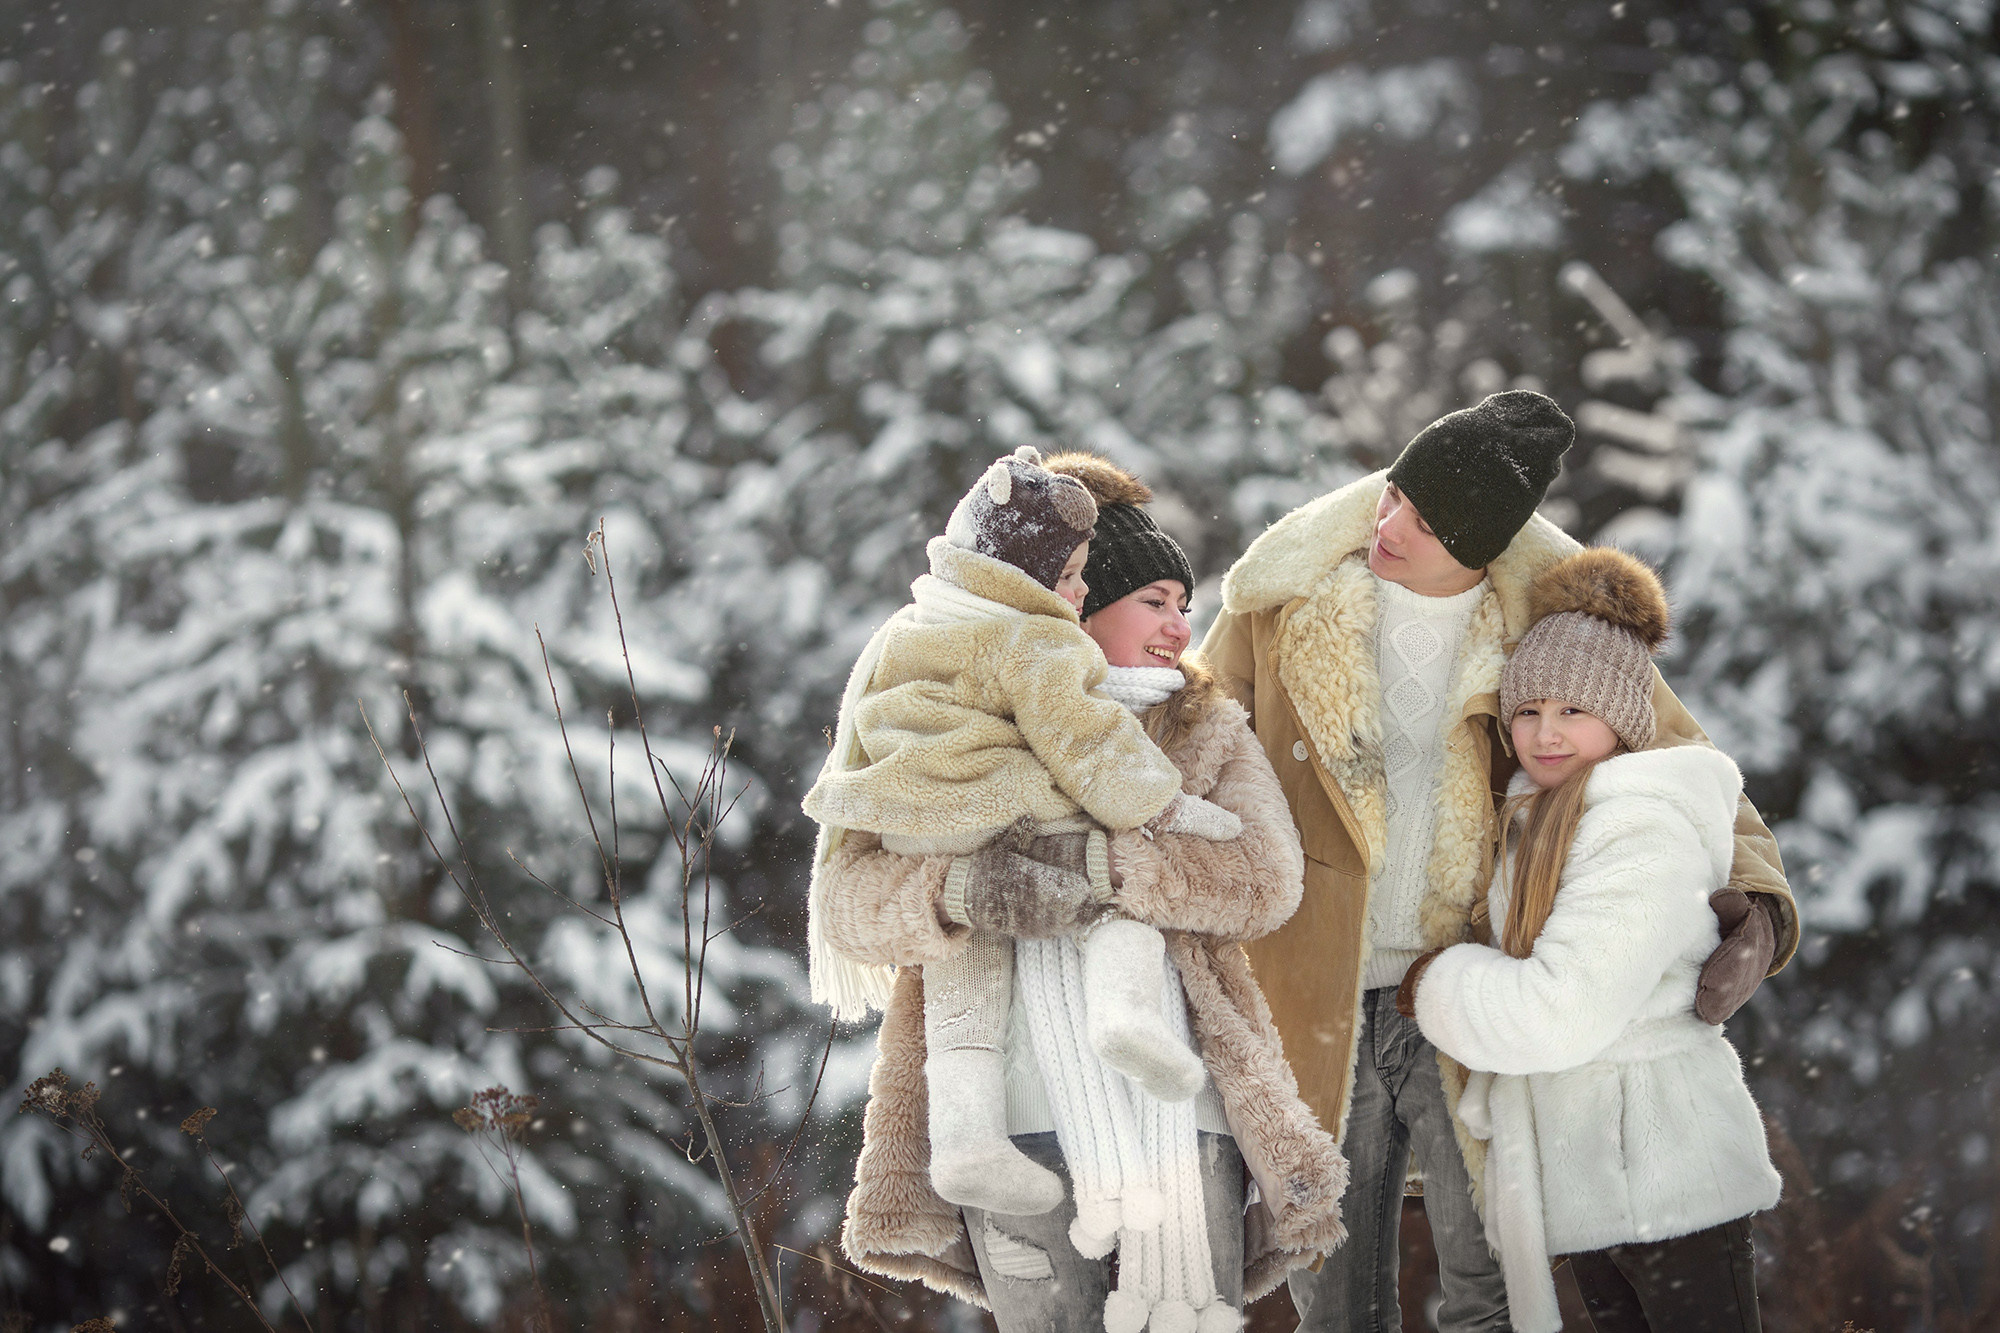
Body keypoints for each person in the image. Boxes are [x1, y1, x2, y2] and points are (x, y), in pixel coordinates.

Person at [1197, 390, 1798, 1333]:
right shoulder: (1280, 607)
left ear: (1480, 545)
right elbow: (1192, 750)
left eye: (1426, 522)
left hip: (1465, 992)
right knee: (1335, 1296)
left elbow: (1684, 762)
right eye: (1394, 496)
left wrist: (1760, 904)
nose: (1389, 525)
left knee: (1492, 1292)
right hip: (1312, 990)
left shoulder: (1547, 619)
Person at [813, 453, 1347, 1331]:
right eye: (1154, 601)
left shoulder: (1202, 726)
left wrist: (1104, 868)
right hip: (1006, 1114)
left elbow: (1264, 878)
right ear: (1075, 600)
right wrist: (964, 888)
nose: (1181, 626)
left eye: (1184, 603)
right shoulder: (947, 715)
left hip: (1183, 1108)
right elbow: (847, 903)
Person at [802, 445, 1235, 1229]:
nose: (1078, 591)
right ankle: (1124, 1012)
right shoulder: (1036, 640)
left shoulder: (909, 632)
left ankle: (966, 1136)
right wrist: (1158, 808)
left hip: (914, 815)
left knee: (968, 960)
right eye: (1072, 577)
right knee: (1094, 897)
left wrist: (955, 877)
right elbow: (1087, 744)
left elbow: (1261, 880)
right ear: (1026, 578)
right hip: (998, 811)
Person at [1401, 547, 1782, 1333]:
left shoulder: (1640, 827)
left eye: (1574, 710)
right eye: (1528, 710)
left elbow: (1559, 1009)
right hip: (1597, 1176)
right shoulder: (1538, 818)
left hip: (1669, 1174)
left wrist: (1439, 984)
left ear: (1622, 719)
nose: (1545, 733)